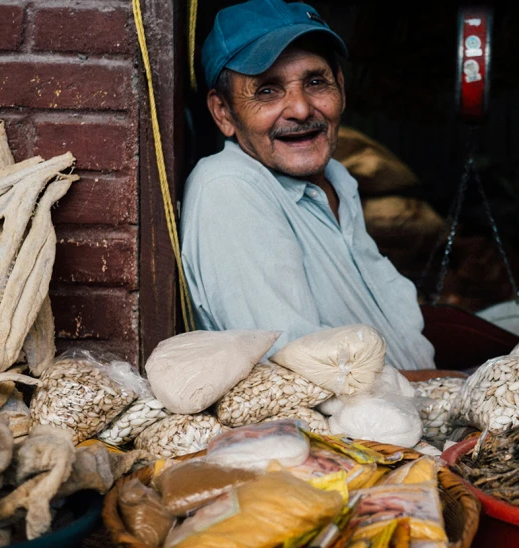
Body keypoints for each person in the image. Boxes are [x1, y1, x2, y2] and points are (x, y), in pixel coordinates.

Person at [180, 0, 436, 370]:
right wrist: (441, 386)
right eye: (267, 90)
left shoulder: (338, 179)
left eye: (316, 82)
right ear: (223, 112)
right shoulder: (229, 189)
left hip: (410, 411)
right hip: (342, 427)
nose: (300, 109)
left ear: (341, 89)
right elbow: (298, 369)